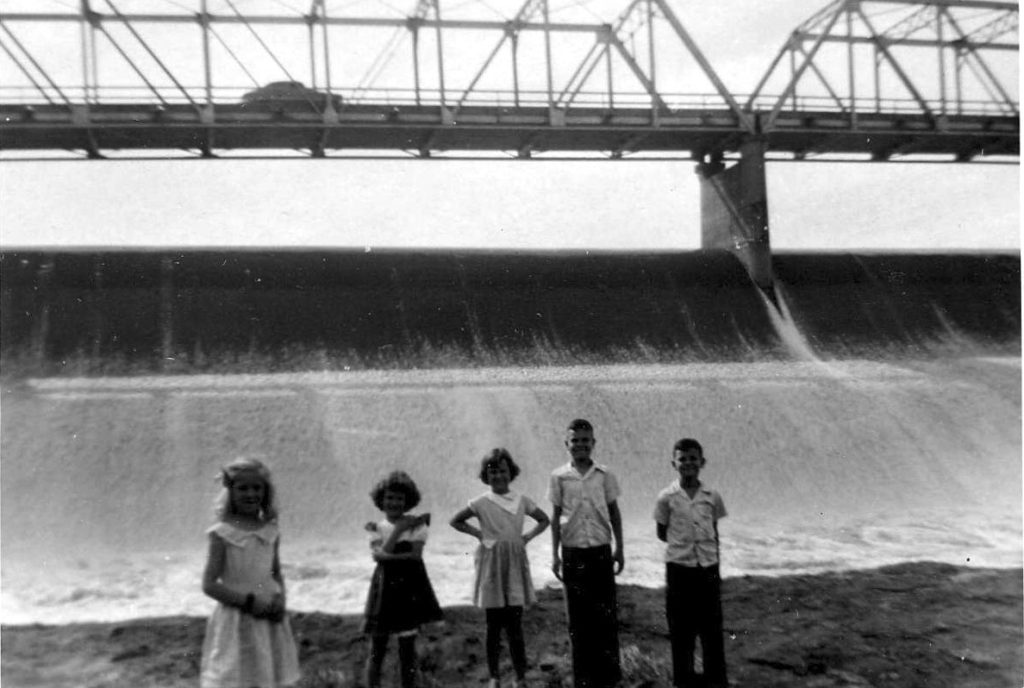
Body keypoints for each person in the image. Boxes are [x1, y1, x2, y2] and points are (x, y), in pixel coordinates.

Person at [450, 448, 551, 688]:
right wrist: (478, 534)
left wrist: (526, 538)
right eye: (492, 471)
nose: (498, 476)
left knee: (515, 624)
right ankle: (494, 677)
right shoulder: (480, 502)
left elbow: (544, 520)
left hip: (515, 563)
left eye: (503, 470)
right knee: (493, 623)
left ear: (511, 472)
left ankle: (520, 677)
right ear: (486, 475)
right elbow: (455, 520)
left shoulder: (522, 500)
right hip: (491, 564)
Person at [200, 457, 301, 688]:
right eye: (242, 488)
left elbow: (275, 572)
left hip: (270, 615)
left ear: (266, 492)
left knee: (270, 674)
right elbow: (209, 584)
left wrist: (281, 599)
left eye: (257, 488)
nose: (250, 494)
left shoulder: (270, 530)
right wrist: (249, 603)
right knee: (238, 675)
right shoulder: (222, 533)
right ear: (230, 492)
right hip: (238, 617)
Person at [547, 418, 624, 688]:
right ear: (566, 444)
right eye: (575, 441)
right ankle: (584, 679)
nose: (580, 445)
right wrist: (555, 555)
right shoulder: (559, 477)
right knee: (578, 620)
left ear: (594, 443)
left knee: (605, 616)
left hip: (601, 550)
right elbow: (555, 517)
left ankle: (610, 677)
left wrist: (620, 549)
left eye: (585, 441)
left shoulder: (604, 475)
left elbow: (614, 512)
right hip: (573, 552)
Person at [653, 438, 728, 688]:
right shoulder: (666, 497)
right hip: (679, 570)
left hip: (707, 568)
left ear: (702, 462)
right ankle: (683, 681)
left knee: (711, 630)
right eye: (682, 459)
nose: (688, 463)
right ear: (673, 463)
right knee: (681, 630)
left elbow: (714, 530)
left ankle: (716, 682)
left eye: (693, 458)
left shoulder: (712, 496)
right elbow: (662, 532)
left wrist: (712, 561)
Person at [362, 470, 444, 688]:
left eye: (399, 498)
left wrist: (388, 556)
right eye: (389, 497)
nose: (394, 502)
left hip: (408, 591)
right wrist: (398, 530)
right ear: (381, 500)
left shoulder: (418, 526)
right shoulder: (376, 527)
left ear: (408, 501)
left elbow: (415, 556)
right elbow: (378, 557)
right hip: (383, 592)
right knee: (377, 647)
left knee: (407, 648)